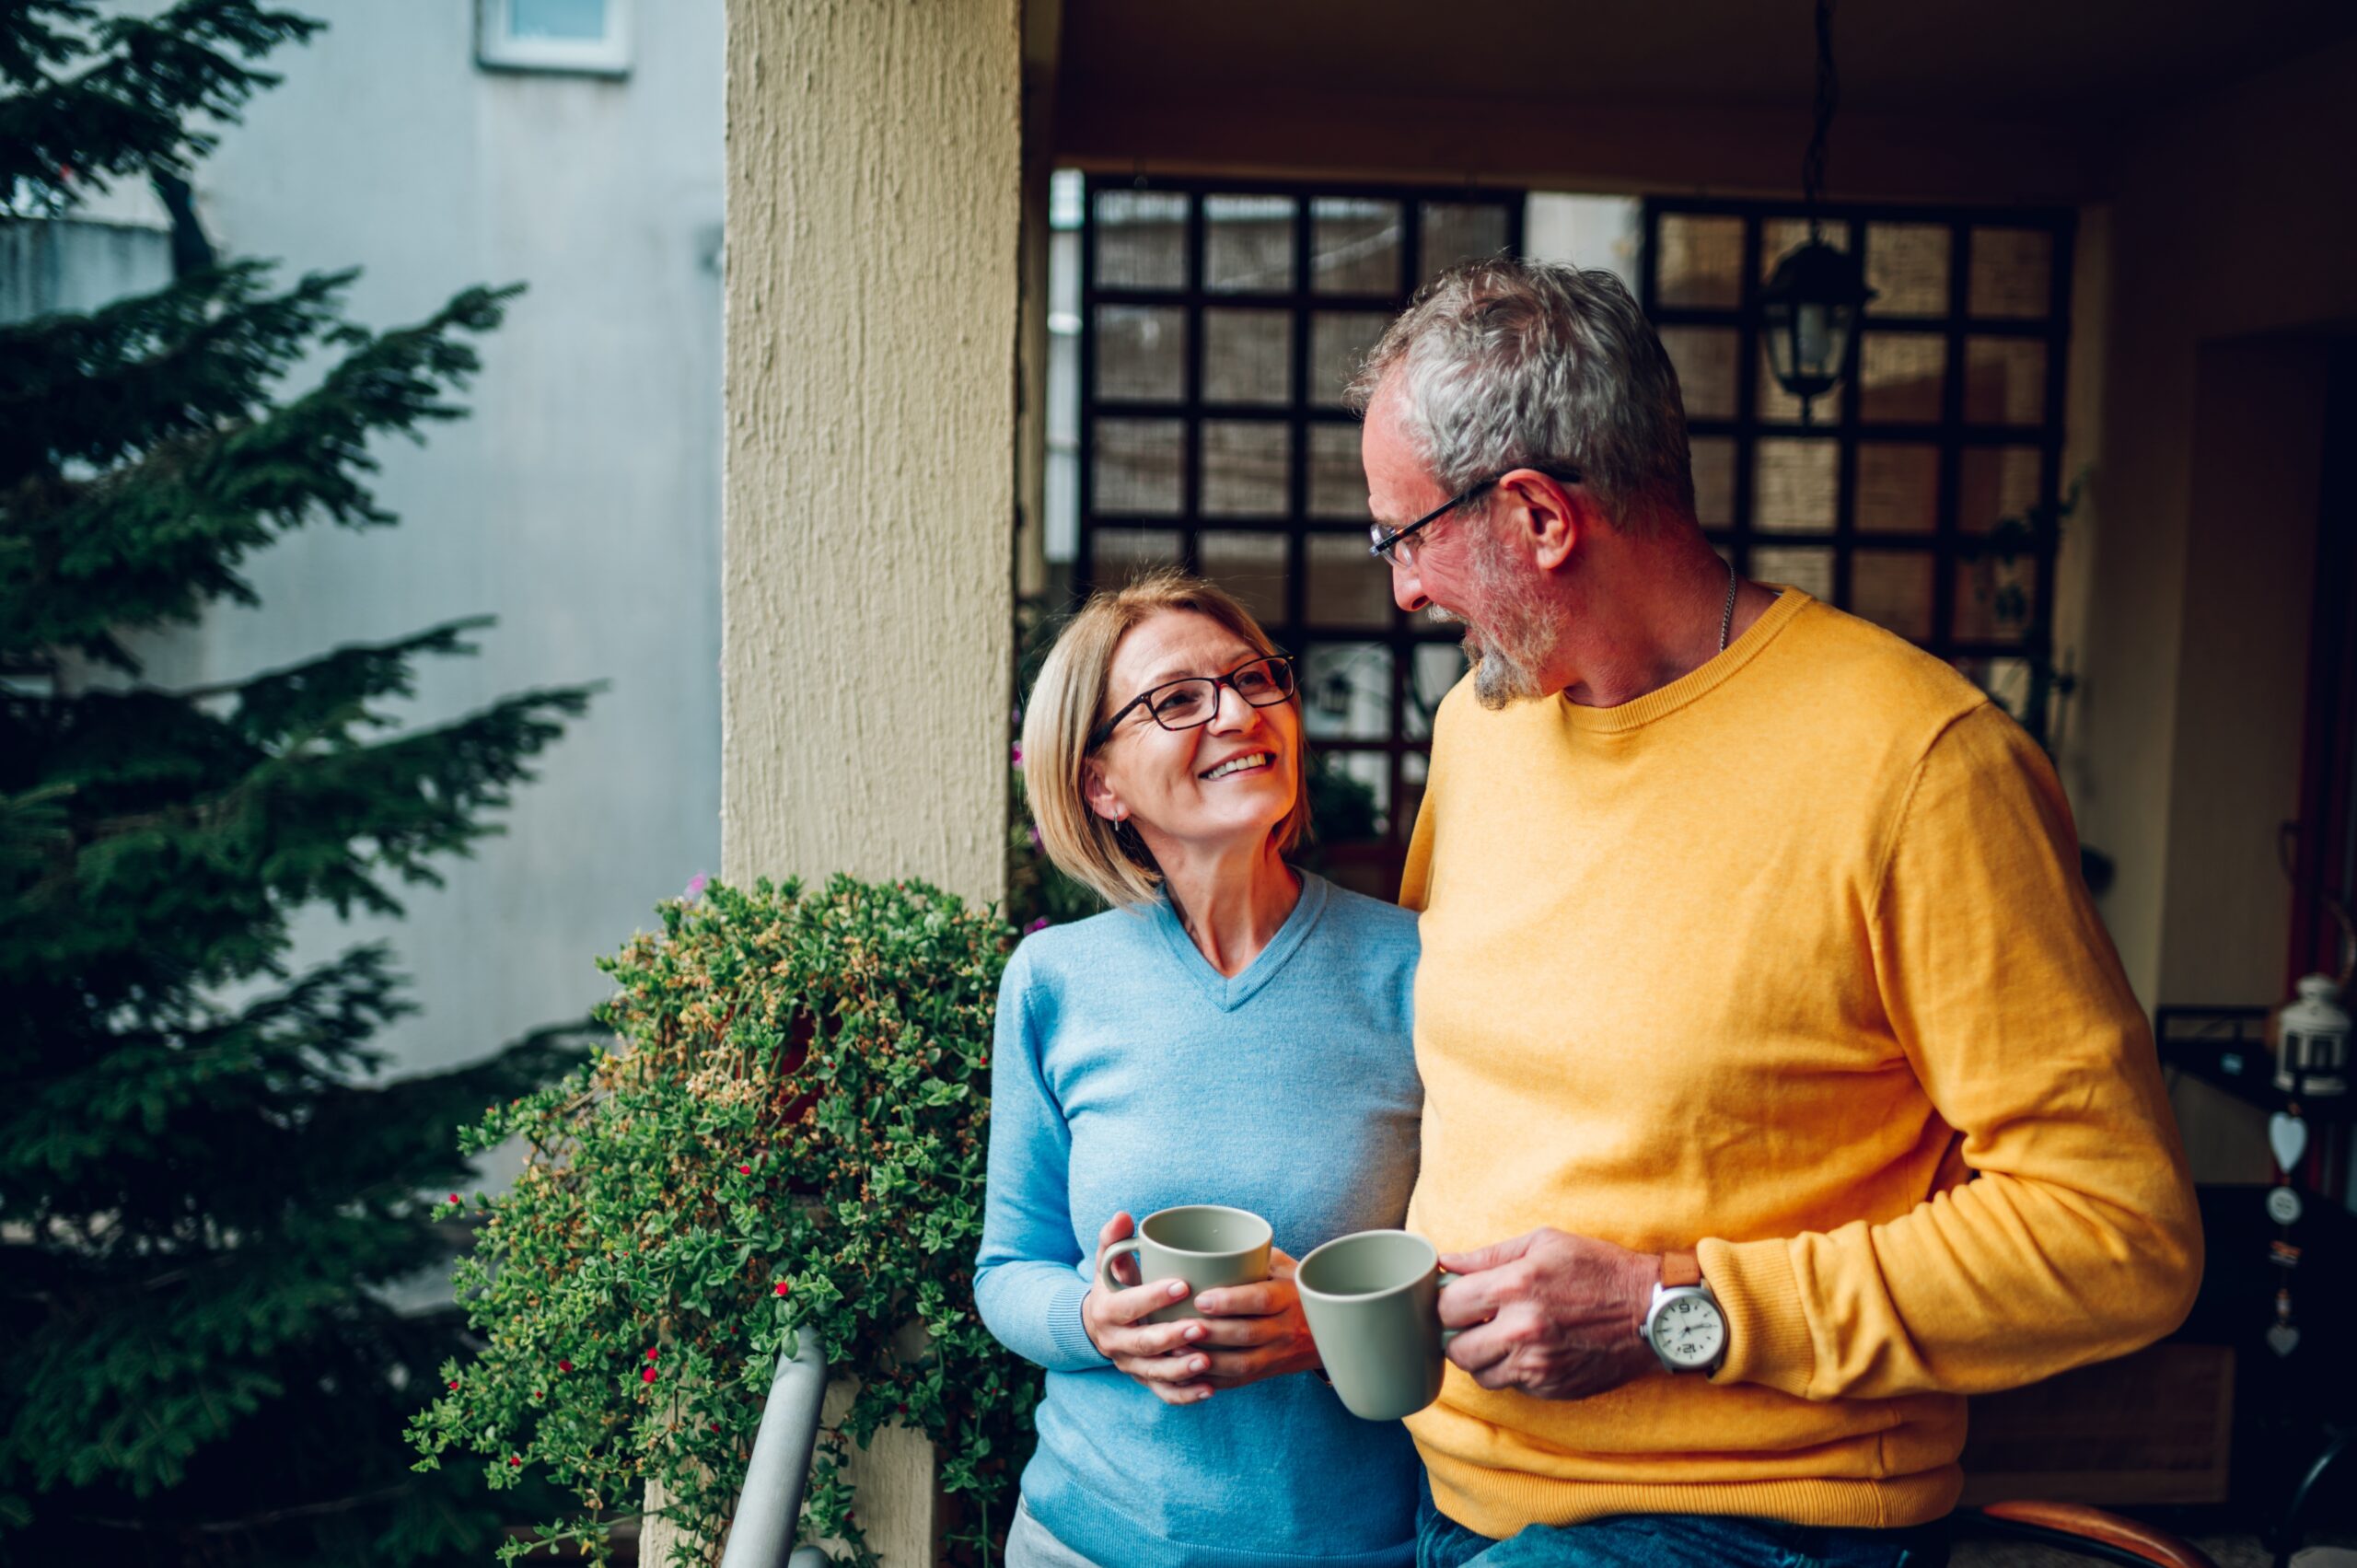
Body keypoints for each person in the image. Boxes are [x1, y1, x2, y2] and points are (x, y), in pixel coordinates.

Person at [1345, 259, 2202, 1568]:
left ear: (1537, 517)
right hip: (1450, 1492)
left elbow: (2119, 1231)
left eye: (1407, 536)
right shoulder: (1481, 728)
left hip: (1751, 1522)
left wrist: (1671, 1305)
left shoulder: (1924, 765)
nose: (1402, 589)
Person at [976, 571, 1424, 1568]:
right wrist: (1095, 1319)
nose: (1238, 711)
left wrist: (1329, 1324)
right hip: (1080, 1543)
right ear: (1102, 783)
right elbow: (1008, 1269)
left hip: (1354, 1549)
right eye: (1178, 699)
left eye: (1256, 679)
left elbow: (1478, 1272)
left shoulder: (1416, 969)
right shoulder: (1054, 980)